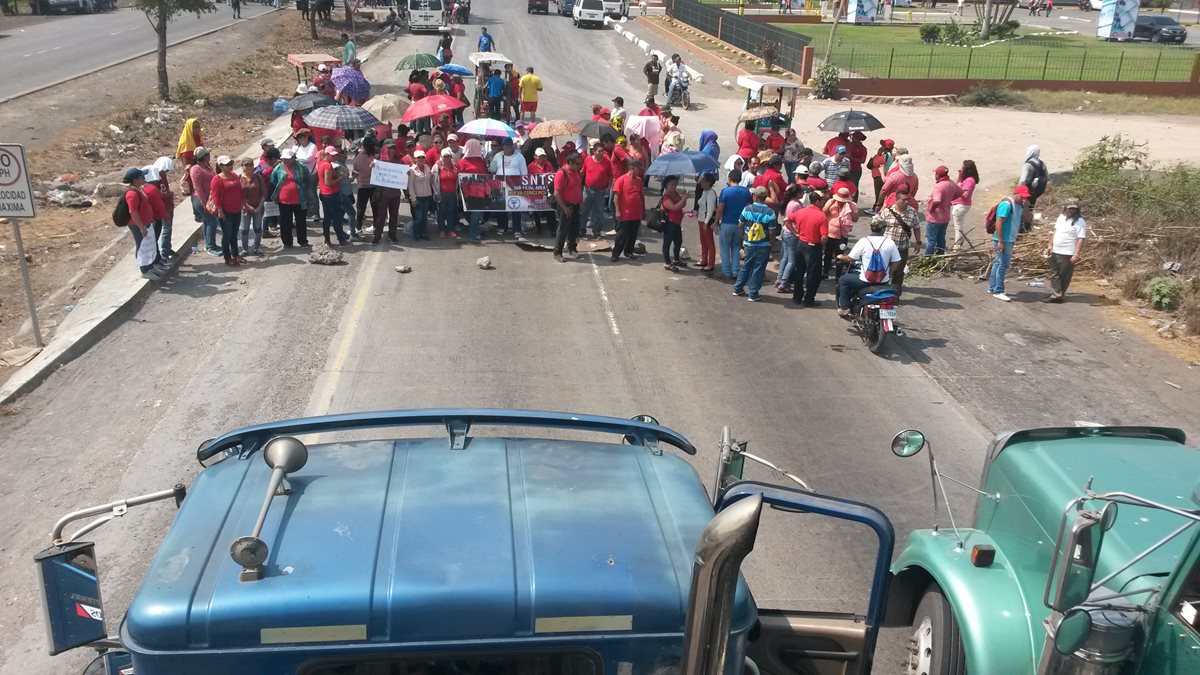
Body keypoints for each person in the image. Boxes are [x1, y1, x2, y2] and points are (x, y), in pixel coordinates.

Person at [835, 217, 903, 318]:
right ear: (884, 229)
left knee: (844, 280)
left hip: (865, 281)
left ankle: (845, 308)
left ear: (871, 228)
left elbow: (850, 258)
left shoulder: (864, 241)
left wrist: (841, 257)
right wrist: (890, 273)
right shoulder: (890, 242)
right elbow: (897, 261)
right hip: (883, 281)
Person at [732, 187, 777, 302]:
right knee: (758, 269)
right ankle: (753, 293)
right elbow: (772, 232)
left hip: (749, 243)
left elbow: (740, 225)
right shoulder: (770, 212)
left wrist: (743, 238)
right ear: (765, 197)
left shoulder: (747, 208)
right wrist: (772, 245)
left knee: (746, 266)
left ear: (755, 197)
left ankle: (738, 288)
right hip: (764, 244)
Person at [988, 185, 1030, 302]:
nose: (1024, 199)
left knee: (998, 263)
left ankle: (992, 287)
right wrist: (1000, 241)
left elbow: (1028, 219)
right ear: (1016, 194)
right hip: (1003, 240)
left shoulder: (1019, 205)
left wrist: (1026, 206)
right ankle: (999, 291)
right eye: (1022, 196)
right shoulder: (1006, 205)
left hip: (1009, 239)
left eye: (1026, 197)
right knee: (1003, 264)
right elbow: (999, 223)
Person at [876, 186, 920, 295]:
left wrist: (918, 242)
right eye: (903, 200)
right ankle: (880, 291)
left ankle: (895, 294)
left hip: (902, 248)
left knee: (899, 272)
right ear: (897, 200)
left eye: (907, 200)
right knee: (882, 269)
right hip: (887, 248)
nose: (906, 202)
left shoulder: (912, 212)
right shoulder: (887, 212)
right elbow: (878, 227)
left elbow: (916, 227)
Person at [121, 169, 163, 280]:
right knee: (142, 247)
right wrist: (141, 227)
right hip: (138, 225)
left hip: (146, 222)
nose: (144, 178)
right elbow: (133, 212)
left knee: (149, 245)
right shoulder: (132, 194)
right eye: (141, 177)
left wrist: (150, 218)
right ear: (135, 180)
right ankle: (144, 270)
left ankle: (150, 267)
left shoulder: (139, 189)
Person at [788, 192, 828, 307]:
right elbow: (824, 237)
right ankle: (809, 299)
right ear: (817, 201)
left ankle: (797, 297)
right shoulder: (821, 216)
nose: (824, 202)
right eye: (823, 200)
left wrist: (796, 233)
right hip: (813, 247)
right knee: (813, 275)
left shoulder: (801, 211)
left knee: (799, 272)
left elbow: (787, 220)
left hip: (801, 244)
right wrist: (823, 246)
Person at [1044, 199, 1085, 303]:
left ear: (1077, 209)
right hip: (1055, 250)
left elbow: (1080, 239)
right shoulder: (1061, 217)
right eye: (1069, 208)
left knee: (1064, 275)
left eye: (1074, 209)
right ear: (1065, 208)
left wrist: (1076, 254)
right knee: (1054, 274)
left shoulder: (1080, 222)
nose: (1071, 210)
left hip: (1067, 252)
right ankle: (1056, 295)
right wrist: (1050, 245)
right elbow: (1055, 231)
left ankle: (1057, 296)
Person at [209, 156, 245, 266]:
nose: (230, 166)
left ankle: (235, 255)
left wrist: (242, 203)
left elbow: (239, 191)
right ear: (221, 166)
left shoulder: (234, 175)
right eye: (227, 164)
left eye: (231, 163)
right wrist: (220, 210)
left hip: (236, 209)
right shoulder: (217, 179)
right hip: (226, 211)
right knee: (227, 235)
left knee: (234, 234)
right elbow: (215, 196)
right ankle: (227, 257)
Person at [270, 149, 311, 248]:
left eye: (288, 159)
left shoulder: (302, 168)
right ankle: (287, 243)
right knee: (285, 223)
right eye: (284, 159)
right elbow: (273, 181)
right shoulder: (278, 168)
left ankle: (303, 241)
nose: (286, 161)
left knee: (301, 222)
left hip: (299, 200)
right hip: (284, 201)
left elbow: (307, 181)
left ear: (293, 158)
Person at [715, 169, 751, 279]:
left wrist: (716, 221)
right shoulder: (746, 192)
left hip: (727, 223)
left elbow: (720, 209)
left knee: (725, 248)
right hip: (740, 224)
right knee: (736, 247)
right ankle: (735, 271)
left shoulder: (725, 191)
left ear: (729, 179)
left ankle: (726, 272)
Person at [490, 138, 528, 236]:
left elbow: (524, 172)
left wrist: (522, 185)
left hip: (515, 186)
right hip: (501, 185)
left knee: (516, 207)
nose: (506, 147)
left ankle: (517, 230)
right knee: (501, 207)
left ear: (512, 146)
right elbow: (492, 170)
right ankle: (502, 227)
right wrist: (491, 162)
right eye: (504, 145)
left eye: (508, 145)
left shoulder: (519, 157)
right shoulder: (498, 156)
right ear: (502, 146)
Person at [611, 159, 646, 263]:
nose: (640, 171)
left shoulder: (639, 181)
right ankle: (615, 254)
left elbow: (641, 196)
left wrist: (643, 210)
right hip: (625, 214)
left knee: (633, 234)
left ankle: (629, 251)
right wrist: (617, 211)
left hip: (636, 213)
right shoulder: (621, 180)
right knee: (621, 235)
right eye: (638, 169)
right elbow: (616, 197)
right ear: (632, 168)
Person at [186, 147, 219, 255]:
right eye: (207, 154)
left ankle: (209, 244)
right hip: (200, 199)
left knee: (207, 221)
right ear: (203, 156)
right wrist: (205, 204)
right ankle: (211, 247)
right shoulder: (197, 169)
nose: (209, 155)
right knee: (212, 222)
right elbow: (198, 187)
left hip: (208, 198)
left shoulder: (206, 166)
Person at [924, 165, 962, 256]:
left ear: (937, 175)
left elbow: (937, 201)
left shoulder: (939, 186)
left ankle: (928, 258)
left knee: (931, 240)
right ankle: (940, 255)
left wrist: (931, 209)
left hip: (935, 218)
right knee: (941, 238)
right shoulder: (951, 183)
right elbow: (960, 192)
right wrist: (949, 199)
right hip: (945, 217)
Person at [456, 139, 489, 240]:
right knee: (472, 212)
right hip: (468, 192)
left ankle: (474, 230)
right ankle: (474, 232)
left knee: (475, 212)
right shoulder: (462, 162)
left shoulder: (481, 161)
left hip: (478, 192)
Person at [823, 187, 858, 279]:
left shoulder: (852, 205)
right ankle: (825, 273)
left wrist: (850, 209)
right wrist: (830, 204)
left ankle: (838, 276)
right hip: (830, 234)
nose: (841, 202)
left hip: (842, 236)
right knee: (828, 254)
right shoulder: (831, 202)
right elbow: (823, 213)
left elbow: (855, 219)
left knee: (840, 256)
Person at [553, 154, 583, 262]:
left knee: (574, 228)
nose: (579, 166)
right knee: (563, 229)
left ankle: (572, 248)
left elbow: (578, 187)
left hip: (575, 204)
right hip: (565, 205)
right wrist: (564, 208)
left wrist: (581, 202)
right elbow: (557, 193)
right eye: (577, 164)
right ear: (570, 163)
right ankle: (558, 252)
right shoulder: (561, 173)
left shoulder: (576, 173)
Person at [316, 146, 349, 245]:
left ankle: (327, 239)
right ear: (327, 155)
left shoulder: (321, 162)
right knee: (336, 218)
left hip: (324, 194)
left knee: (327, 218)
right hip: (331, 195)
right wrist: (340, 178)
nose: (335, 157)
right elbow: (328, 182)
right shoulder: (327, 166)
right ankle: (341, 240)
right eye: (332, 155)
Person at [581, 142, 612, 239]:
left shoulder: (607, 162)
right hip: (588, 189)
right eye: (599, 151)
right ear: (594, 152)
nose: (602, 153)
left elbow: (611, 176)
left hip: (600, 191)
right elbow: (582, 172)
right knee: (584, 211)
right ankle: (582, 230)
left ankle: (597, 231)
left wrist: (608, 188)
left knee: (599, 212)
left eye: (603, 151)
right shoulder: (587, 160)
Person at [406, 151, 437, 241]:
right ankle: (416, 234)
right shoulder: (412, 170)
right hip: (418, 197)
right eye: (418, 157)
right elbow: (410, 185)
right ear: (415, 159)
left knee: (424, 217)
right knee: (418, 218)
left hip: (427, 196)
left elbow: (432, 180)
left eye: (422, 157)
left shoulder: (427, 168)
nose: (421, 159)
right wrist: (413, 199)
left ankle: (424, 234)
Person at [239, 158, 266, 256]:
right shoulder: (239, 179)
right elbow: (238, 196)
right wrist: (246, 206)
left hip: (258, 207)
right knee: (244, 229)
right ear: (242, 167)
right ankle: (245, 249)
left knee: (257, 228)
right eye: (246, 165)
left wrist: (259, 206)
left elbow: (263, 194)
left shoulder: (258, 178)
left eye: (250, 165)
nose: (248, 167)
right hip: (245, 209)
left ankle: (257, 248)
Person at [1018, 145, 1048, 233]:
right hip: (1036, 192)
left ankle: (1021, 228)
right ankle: (1028, 226)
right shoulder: (1042, 164)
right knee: (1030, 208)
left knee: (1022, 208)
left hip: (1026, 191)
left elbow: (1023, 180)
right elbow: (1047, 177)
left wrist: (1018, 192)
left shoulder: (1028, 165)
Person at [659, 176, 687, 271]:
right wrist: (683, 199)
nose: (674, 186)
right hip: (670, 222)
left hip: (677, 222)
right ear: (666, 185)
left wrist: (684, 198)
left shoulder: (675, 193)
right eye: (672, 184)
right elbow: (674, 207)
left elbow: (682, 205)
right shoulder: (666, 196)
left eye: (675, 184)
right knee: (667, 243)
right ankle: (667, 263)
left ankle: (676, 259)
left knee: (678, 241)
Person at [951, 159, 978, 250]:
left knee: (958, 227)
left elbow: (965, 194)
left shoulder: (969, 181)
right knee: (959, 226)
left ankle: (957, 247)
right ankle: (959, 243)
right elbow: (956, 185)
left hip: (961, 205)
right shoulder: (966, 179)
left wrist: (957, 193)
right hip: (960, 205)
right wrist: (960, 175)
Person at [694, 173, 718, 273]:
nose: (701, 182)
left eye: (703, 180)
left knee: (709, 242)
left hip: (705, 221)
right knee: (703, 241)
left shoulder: (711, 193)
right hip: (701, 219)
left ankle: (710, 263)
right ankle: (703, 259)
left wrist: (706, 222)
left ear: (708, 182)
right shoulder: (704, 191)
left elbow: (711, 209)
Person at [866, 139, 894, 208]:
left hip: (879, 175)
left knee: (878, 192)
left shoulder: (885, 155)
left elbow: (876, 164)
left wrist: (878, 154)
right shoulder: (892, 155)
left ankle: (876, 207)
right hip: (886, 174)